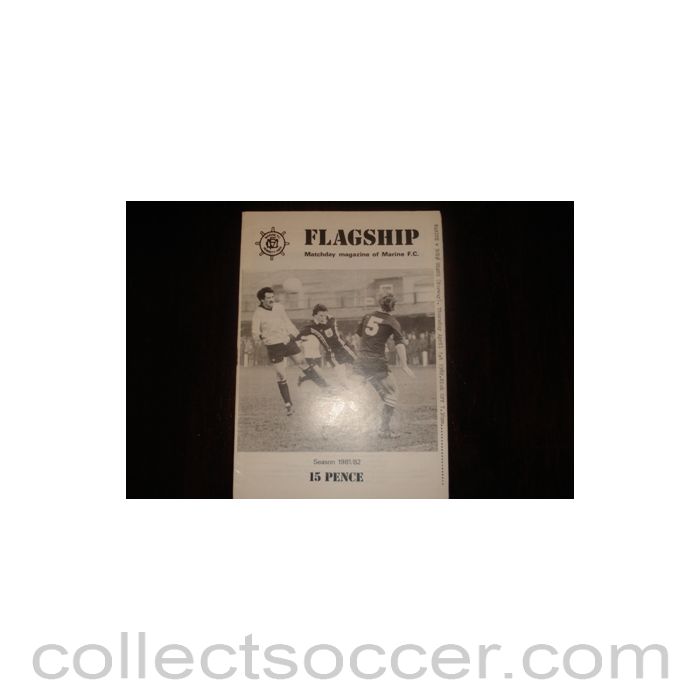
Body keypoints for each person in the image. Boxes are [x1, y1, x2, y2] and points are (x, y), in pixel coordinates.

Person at [251, 287, 327, 416]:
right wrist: (262, 338)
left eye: (272, 297)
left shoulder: (279, 307)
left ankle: (325, 387)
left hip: (287, 341)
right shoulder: (258, 313)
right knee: (281, 375)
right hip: (274, 346)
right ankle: (288, 405)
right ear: (262, 300)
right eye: (268, 298)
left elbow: (287, 322)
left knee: (303, 363)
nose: (271, 300)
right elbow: (255, 332)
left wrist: (298, 335)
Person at [353, 293, 414, 438]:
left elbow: (357, 336)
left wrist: (362, 352)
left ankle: (334, 426)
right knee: (393, 393)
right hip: (376, 361)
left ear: (380, 304)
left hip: (361, 360)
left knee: (357, 392)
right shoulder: (392, 321)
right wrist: (404, 365)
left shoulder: (367, 316)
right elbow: (400, 345)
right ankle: (384, 430)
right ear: (393, 306)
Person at [296, 304, 356, 387]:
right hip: (332, 354)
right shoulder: (311, 327)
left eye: (325, 315)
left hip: (344, 349)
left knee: (361, 367)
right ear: (314, 315)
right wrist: (297, 340)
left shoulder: (331, 319)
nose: (323, 318)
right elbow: (298, 335)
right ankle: (351, 388)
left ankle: (360, 385)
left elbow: (332, 333)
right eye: (321, 316)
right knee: (343, 381)